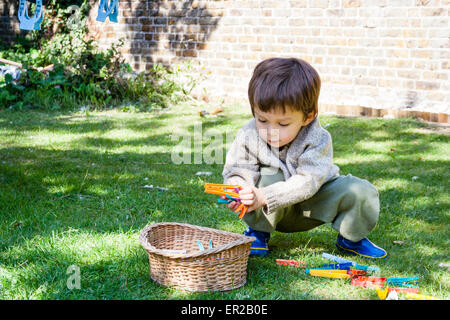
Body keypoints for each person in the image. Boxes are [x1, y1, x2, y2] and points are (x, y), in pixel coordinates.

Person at [222, 57, 387, 260]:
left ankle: (350, 239)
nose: (271, 131)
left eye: (283, 124)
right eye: (262, 120)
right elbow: (238, 168)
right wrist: (238, 187)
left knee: (360, 190)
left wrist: (264, 195)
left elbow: (308, 181)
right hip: (271, 210)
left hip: (314, 204)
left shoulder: (318, 138)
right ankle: (258, 233)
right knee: (265, 176)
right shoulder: (249, 134)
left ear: (308, 117)